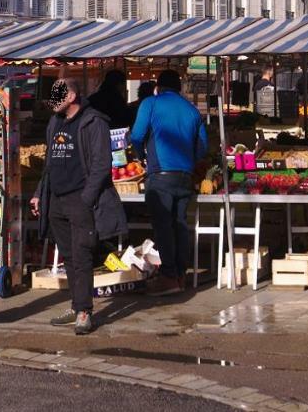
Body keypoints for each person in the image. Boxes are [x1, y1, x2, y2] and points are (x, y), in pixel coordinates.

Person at [31, 78, 126, 335]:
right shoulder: (55, 122)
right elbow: (50, 162)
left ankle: (85, 311)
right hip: (57, 199)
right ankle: (76, 305)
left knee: (82, 254)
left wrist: (86, 197)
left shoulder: (93, 121)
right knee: (69, 256)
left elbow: (101, 164)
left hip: (80, 198)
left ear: (71, 96)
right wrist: (40, 193)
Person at [130, 69, 209, 297]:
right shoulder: (192, 110)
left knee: (163, 226)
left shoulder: (150, 104)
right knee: (179, 224)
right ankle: (180, 275)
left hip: (160, 175)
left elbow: (136, 136)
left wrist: (141, 157)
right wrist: (188, 162)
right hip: (184, 176)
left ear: (158, 86)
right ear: (180, 88)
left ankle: (168, 277)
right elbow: (202, 147)